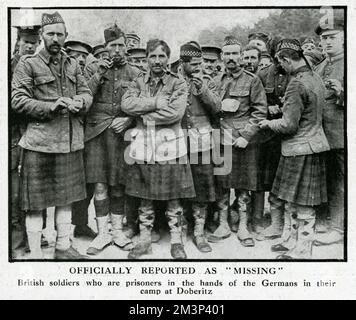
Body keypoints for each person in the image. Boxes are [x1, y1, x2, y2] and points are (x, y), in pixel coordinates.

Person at [11, 11, 92, 259]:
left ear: (66, 36)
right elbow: (17, 100)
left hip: (69, 143)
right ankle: (36, 254)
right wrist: (50, 106)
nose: (55, 38)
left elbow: (87, 92)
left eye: (60, 34)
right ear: (42, 36)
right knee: (36, 205)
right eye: (50, 34)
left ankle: (64, 248)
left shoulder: (74, 64)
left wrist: (81, 102)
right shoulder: (28, 64)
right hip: (39, 144)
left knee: (65, 200)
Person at [122, 39, 195, 259]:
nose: (157, 61)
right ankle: (144, 240)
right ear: (146, 59)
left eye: (161, 56)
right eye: (152, 56)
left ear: (167, 58)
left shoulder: (178, 82)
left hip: (171, 146)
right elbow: (126, 105)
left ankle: (176, 239)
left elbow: (176, 112)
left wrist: (142, 115)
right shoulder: (136, 82)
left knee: (175, 198)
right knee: (145, 197)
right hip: (144, 146)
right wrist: (155, 103)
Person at [259, 39, 329, 259]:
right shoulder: (315, 77)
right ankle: (290, 241)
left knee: (302, 204)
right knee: (293, 201)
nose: (282, 68)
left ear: (287, 60)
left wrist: (268, 123)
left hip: (298, 148)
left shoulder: (296, 83)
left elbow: (289, 125)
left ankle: (302, 251)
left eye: (282, 64)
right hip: (314, 144)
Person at [80, 24, 140, 255]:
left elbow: (142, 104)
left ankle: (117, 231)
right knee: (100, 185)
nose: (117, 50)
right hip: (96, 134)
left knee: (118, 185)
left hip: (121, 135)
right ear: (105, 48)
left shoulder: (135, 73)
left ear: (126, 48)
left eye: (120, 46)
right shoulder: (93, 68)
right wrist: (98, 74)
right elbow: (83, 97)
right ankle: (102, 233)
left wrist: (128, 119)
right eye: (112, 46)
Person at [211, 35, 267, 247]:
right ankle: (223, 224)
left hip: (242, 142)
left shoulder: (253, 81)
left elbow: (260, 112)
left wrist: (246, 135)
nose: (231, 58)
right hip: (221, 140)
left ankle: (243, 226)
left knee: (244, 187)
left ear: (242, 56)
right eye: (227, 54)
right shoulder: (216, 81)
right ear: (222, 57)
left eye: (235, 53)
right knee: (222, 185)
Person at [179, 41, 220, 252]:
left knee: (202, 187)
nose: (198, 67)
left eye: (199, 63)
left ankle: (199, 231)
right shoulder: (172, 80)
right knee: (180, 187)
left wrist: (202, 88)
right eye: (193, 64)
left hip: (201, 142)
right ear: (183, 63)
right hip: (176, 141)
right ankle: (182, 228)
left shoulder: (207, 81)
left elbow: (217, 108)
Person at [10, 23, 42, 258]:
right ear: (18, 43)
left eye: (34, 42)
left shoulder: (38, 67)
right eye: (26, 42)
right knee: (14, 192)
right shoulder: (10, 68)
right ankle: (17, 245)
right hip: (13, 136)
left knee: (34, 189)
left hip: (33, 134)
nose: (30, 46)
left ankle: (34, 238)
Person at [256, 37, 291, 241]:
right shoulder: (262, 74)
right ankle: (276, 223)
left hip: (292, 134)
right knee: (273, 180)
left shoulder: (295, 74)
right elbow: (257, 105)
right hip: (269, 137)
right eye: (277, 54)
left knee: (290, 181)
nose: (280, 59)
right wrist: (267, 108)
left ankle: (289, 223)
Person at [314, 14, 345, 246]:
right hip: (320, 135)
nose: (326, 42)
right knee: (324, 179)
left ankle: (339, 227)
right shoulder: (321, 65)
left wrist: (343, 92)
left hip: (341, 137)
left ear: (344, 37)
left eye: (332, 37)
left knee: (339, 182)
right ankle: (325, 221)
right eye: (323, 38)